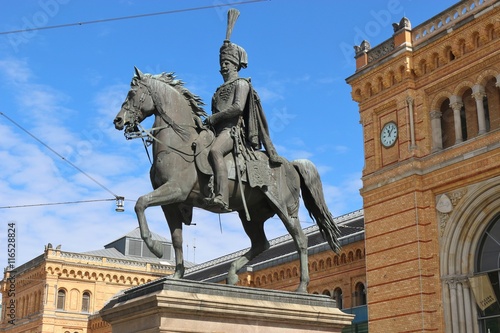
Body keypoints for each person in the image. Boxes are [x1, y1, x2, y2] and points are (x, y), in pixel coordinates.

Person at [204, 40, 283, 212]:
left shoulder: (242, 84)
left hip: (232, 131)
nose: (223, 67)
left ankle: (221, 197)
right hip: (217, 131)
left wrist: (215, 117)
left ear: (235, 65)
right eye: (222, 63)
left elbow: (238, 108)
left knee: (215, 151)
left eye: (227, 63)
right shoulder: (217, 90)